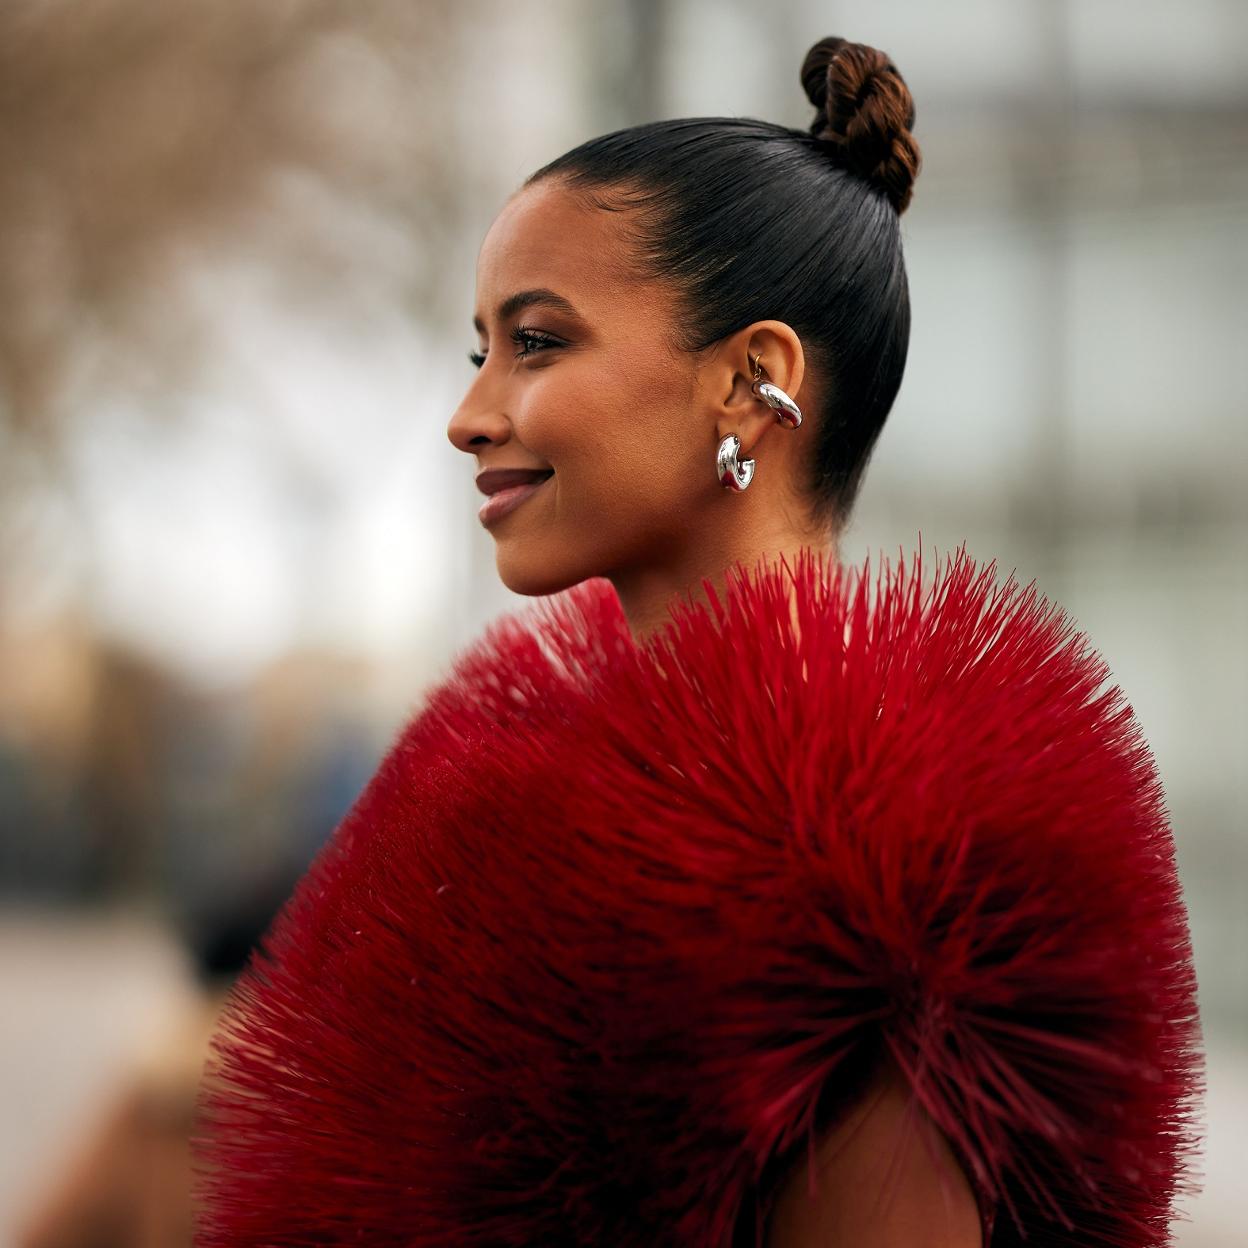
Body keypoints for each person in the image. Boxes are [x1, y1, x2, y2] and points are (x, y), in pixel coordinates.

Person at [191, 35, 1203, 1247]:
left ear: (749, 382)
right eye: (482, 350)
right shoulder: (501, 802)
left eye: (540, 341)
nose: (470, 417)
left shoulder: (884, 865)